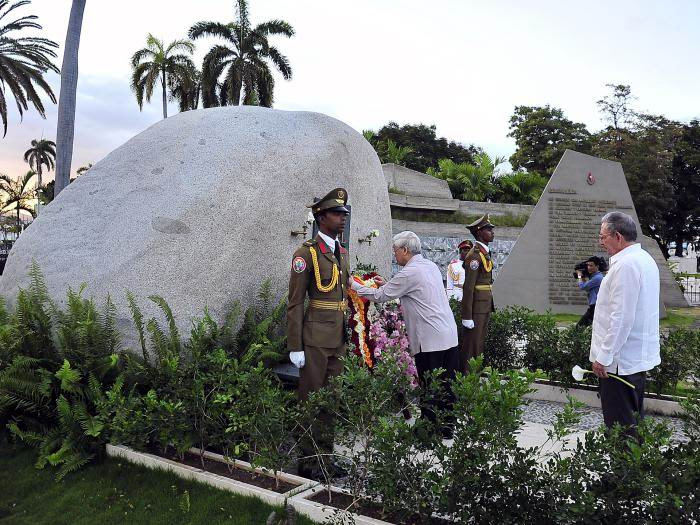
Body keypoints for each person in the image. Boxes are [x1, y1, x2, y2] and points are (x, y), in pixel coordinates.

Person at [352, 231, 459, 437]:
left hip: (430, 339)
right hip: (448, 335)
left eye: (395, 251)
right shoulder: (430, 266)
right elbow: (413, 291)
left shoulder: (409, 273)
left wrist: (353, 285)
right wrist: (388, 284)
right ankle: (447, 428)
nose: (394, 255)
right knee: (447, 384)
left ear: (405, 250)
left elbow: (379, 296)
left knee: (430, 385)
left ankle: (427, 430)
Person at [287, 187, 351, 478]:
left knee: (331, 401)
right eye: (336, 214)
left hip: (337, 339)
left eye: (343, 214)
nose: (342, 218)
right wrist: (295, 345)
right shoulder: (306, 254)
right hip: (313, 340)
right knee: (311, 401)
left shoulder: (342, 253)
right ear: (320, 217)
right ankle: (307, 461)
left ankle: (325, 458)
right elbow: (296, 302)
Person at [591, 211, 660, 432]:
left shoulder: (626, 265)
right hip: (632, 361)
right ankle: (632, 467)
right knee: (632, 427)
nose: (600, 242)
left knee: (621, 431)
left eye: (603, 237)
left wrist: (603, 357)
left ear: (618, 236)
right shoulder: (643, 259)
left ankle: (624, 468)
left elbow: (620, 318)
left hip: (619, 364)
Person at [460, 214, 495, 373]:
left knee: (479, 343)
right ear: (480, 233)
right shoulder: (474, 256)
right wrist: (467, 316)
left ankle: (474, 374)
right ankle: (467, 378)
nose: (492, 232)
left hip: (484, 306)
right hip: (476, 308)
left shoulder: (484, 253)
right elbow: (469, 287)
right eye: (489, 229)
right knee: (472, 345)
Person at [576, 256, 605, 327]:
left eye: (591, 265)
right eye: (588, 265)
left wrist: (579, 276)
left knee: (579, 328)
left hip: (595, 307)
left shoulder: (597, 278)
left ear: (597, 266)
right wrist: (582, 277)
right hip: (594, 306)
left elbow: (583, 287)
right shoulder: (594, 277)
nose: (588, 267)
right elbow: (586, 287)